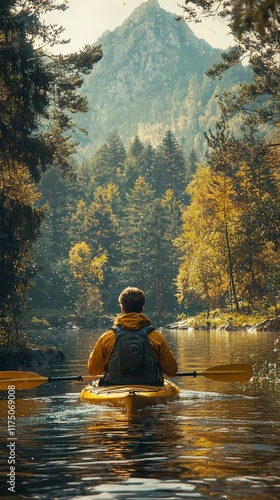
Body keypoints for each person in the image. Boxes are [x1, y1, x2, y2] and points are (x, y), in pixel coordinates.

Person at [87, 286, 178, 385]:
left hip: (114, 387)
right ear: (142, 308)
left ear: (122, 307)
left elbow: (93, 371)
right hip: (150, 387)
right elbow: (171, 370)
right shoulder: (156, 336)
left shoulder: (107, 337)